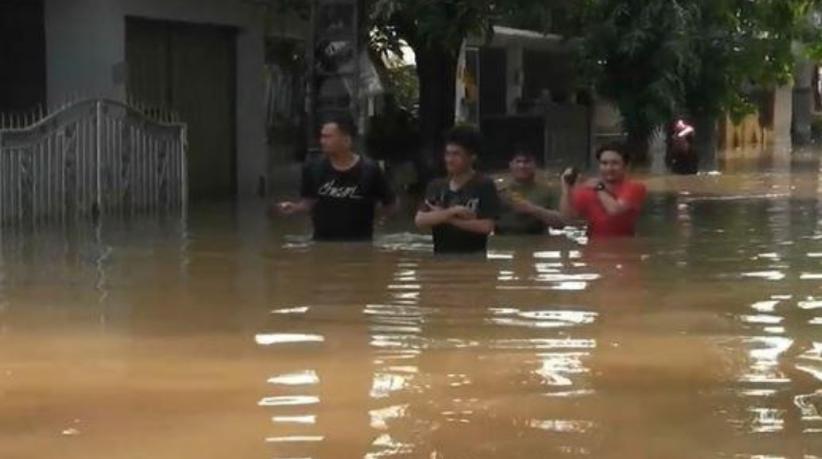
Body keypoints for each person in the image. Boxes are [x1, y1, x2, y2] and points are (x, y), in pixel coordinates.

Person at [276, 114, 397, 241]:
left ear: (346, 140)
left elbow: (391, 204)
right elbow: (309, 202)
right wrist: (294, 208)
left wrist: (378, 219)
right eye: (322, 136)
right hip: (322, 244)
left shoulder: (370, 169)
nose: (322, 141)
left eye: (328, 137)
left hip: (360, 244)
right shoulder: (312, 167)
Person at [414, 125, 501, 254]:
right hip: (440, 260)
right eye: (447, 154)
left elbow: (487, 227)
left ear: (472, 157)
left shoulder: (484, 185)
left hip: (474, 261)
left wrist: (448, 219)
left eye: (456, 154)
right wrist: (452, 212)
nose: (449, 160)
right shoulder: (436, 185)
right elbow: (420, 220)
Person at [559, 143, 647, 238]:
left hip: (624, 246)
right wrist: (566, 190)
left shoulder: (635, 187)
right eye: (604, 163)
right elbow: (568, 218)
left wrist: (599, 188)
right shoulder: (587, 190)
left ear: (626, 166)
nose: (609, 168)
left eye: (615, 163)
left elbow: (614, 210)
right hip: (593, 247)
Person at [496, 148, 565, 235]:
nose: (522, 166)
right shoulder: (498, 191)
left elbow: (561, 223)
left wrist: (532, 209)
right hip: (502, 242)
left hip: (537, 242)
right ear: (510, 165)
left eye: (527, 162)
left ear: (535, 165)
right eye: (518, 161)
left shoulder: (547, 190)